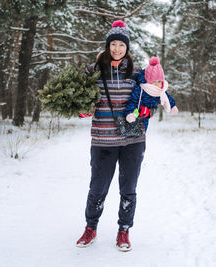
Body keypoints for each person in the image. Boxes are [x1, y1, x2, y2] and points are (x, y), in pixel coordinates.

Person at [76, 20, 145, 252]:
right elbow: (80, 101)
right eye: (113, 44)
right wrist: (82, 109)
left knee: (128, 188)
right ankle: (91, 227)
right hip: (102, 140)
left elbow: (150, 99)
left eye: (121, 45)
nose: (117, 49)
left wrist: (146, 111)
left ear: (127, 48)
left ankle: (124, 230)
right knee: (97, 188)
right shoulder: (93, 71)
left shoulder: (137, 73)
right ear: (107, 46)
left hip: (132, 141)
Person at [124, 57, 179, 131]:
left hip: (146, 116)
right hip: (136, 113)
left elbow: (168, 98)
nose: (157, 84)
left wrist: (173, 106)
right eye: (154, 81)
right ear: (148, 81)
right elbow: (132, 101)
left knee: (143, 130)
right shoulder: (141, 89)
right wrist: (130, 112)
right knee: (134, 130)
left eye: (159, 81)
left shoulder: (161, 91)